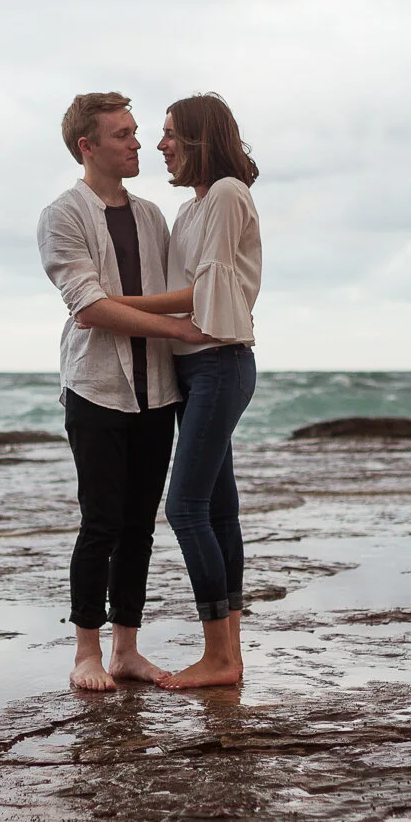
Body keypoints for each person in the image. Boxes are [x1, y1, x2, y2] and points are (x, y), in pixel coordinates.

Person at [83, 93, 260, 689]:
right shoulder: (189, 210)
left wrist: (111, 306)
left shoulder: (230, 195)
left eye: (170, 135)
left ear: (200, 140)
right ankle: (228, 655)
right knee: (216, 509)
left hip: (220, 362)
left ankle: (218, 656)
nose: (159, 145)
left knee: (184, 508)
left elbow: (200, 296)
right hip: (191, 369)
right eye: (155, 134)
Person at [38, 92, 214, 692]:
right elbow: (88, 308)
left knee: (140, 524)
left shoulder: (151, 217)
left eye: (137, 132)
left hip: (156, 391)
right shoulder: (63, 215)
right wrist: (176, 328)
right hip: (96, 388)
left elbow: (174, 289)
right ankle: (86, 652)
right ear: (88, 147)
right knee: (101, 521)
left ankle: (126, 649)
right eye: (123, 135)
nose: (138, 143)